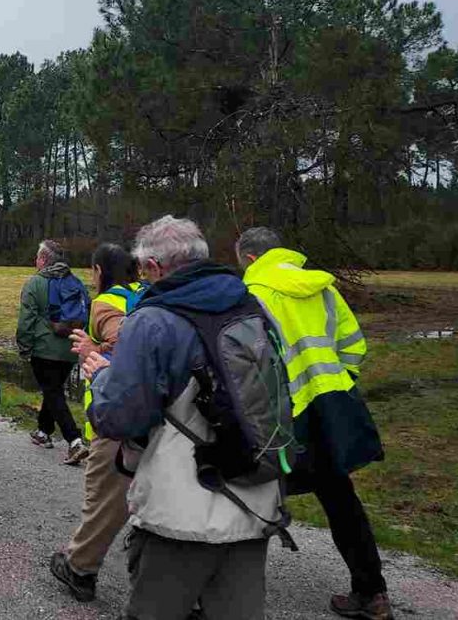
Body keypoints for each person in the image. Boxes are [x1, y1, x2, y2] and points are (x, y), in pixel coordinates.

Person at [85, 215, 283, 620]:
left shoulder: (152, 321)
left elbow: (119, 418)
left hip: (182, 509)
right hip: (254, 493)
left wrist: (101, 377)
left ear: (154, 268)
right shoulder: (253, 306)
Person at [237, 227, 390, 620]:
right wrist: (340, 383)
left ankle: (224, 594)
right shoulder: (321, 287)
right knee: (340, 497)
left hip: (287, 415)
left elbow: (253, 363)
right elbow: (353, 343)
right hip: (332, 404)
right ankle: (372, 593)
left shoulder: (254, 294)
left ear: (251, 260)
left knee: (252, 494)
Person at [49, 243, 143, 602]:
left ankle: (80, 569)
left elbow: (125, 347)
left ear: (99, 271)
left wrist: (93, 350)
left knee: (103, 498)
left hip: (115, 415)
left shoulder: (107, 302)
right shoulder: (148, 293)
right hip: (156, 417)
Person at [16, 239, 90, 465]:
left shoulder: (35, 284)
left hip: (44, 348)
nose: (34, 261)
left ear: (44, 260)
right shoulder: (76, 282)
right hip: (70, 348)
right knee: (53, 390)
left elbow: (26, 319)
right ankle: (43, 431)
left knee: (53, 392)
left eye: (37, 257)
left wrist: (24, 347)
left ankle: (74, 440)